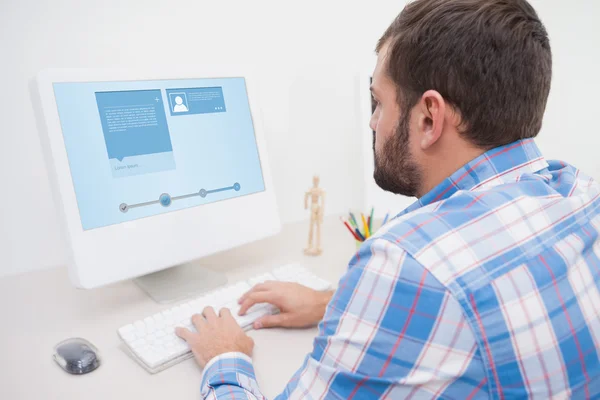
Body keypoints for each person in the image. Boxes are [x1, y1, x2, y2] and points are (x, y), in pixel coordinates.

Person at [175, 0, 600, 398]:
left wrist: (225, 357)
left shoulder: (412, 262)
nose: (374, 122)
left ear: (429, 117)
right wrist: (331, 305)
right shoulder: (580, 192)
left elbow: (441, 283)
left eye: (378, 102)